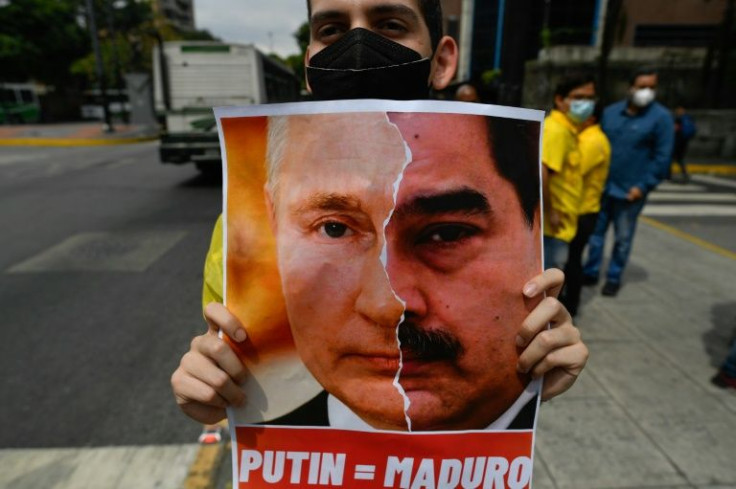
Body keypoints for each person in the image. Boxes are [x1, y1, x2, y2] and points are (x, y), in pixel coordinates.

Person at [172, 0, 588, 428]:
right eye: (333, 229)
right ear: (310, 64)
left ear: (442, 60)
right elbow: (222, 360)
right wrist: (213, 386)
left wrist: (535, 380)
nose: (388, 306)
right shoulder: (233, 235)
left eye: (446, 234)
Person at [582, 68, 674, 296]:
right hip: (602, 188)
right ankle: (591, 271)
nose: (647, 92)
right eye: (643, 86)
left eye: (652, 87)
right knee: (595, 235)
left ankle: (613, 276)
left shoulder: (661, 118)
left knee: (623, 238)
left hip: (630, 191)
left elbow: (662, 157)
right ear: (630, 88)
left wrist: (643, 186)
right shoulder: (611, 113)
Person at [541, 73, 596, 269]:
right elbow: (542, 172)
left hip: (562, 221)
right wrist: (550, 212)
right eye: (579, 97)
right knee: (550, 277)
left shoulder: (568, 130)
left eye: (590, 98)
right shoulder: (557, 131)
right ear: (560, 100)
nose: (586, 103)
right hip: (554, 225)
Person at [561, 103, 611, 317]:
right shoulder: (588, 137)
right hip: (581, 209)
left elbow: (574, 170)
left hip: (583, 211)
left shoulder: (592, 141)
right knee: (572, 258)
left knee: (573, 259)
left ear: (590, 119)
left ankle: (571, 304)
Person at [671, 105, 696, 182]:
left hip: (678, 142)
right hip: (684, 142)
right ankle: (684, 173)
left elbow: (675, 129)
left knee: (672, 158)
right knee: (679, 159)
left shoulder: (678, 119)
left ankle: (669, 174)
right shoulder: (688, 118)